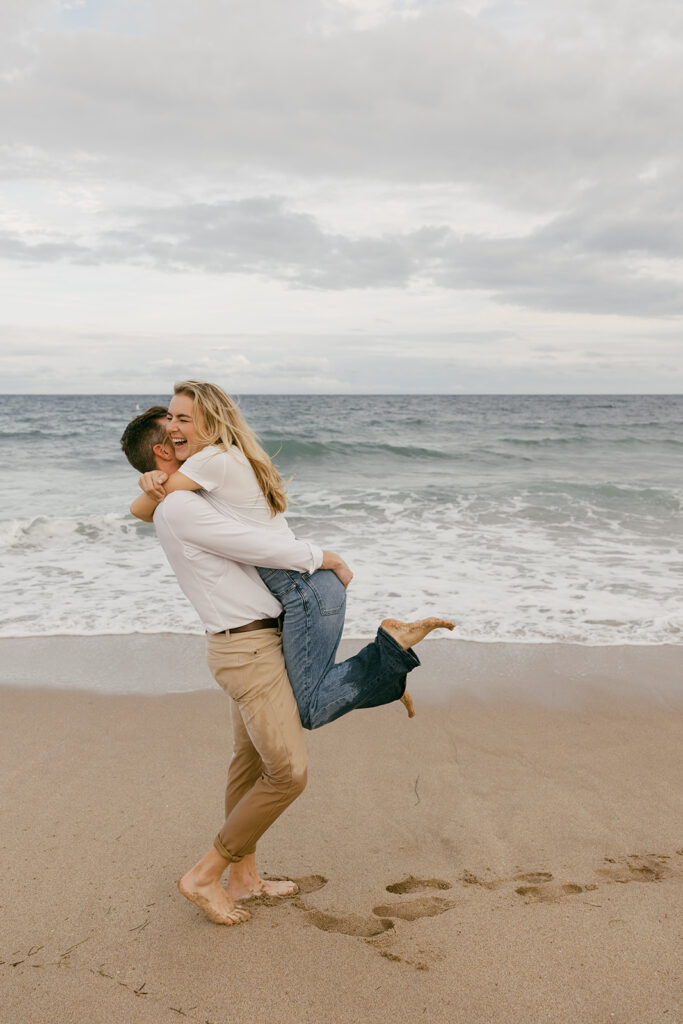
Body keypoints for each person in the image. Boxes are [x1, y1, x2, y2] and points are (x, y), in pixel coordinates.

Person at [119, 391, 453, 928]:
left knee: (248, 763)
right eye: (173, 429)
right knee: (289, 773)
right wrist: (325, 557)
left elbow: (238, 529)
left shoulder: (185, 497)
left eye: (186, 422)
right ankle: (204, 875)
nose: (183, 434)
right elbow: (257, 546)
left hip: (256, 640)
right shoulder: (181, 506)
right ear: (163, 452)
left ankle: (244, 877)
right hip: (246, 648)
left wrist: (149, 488)